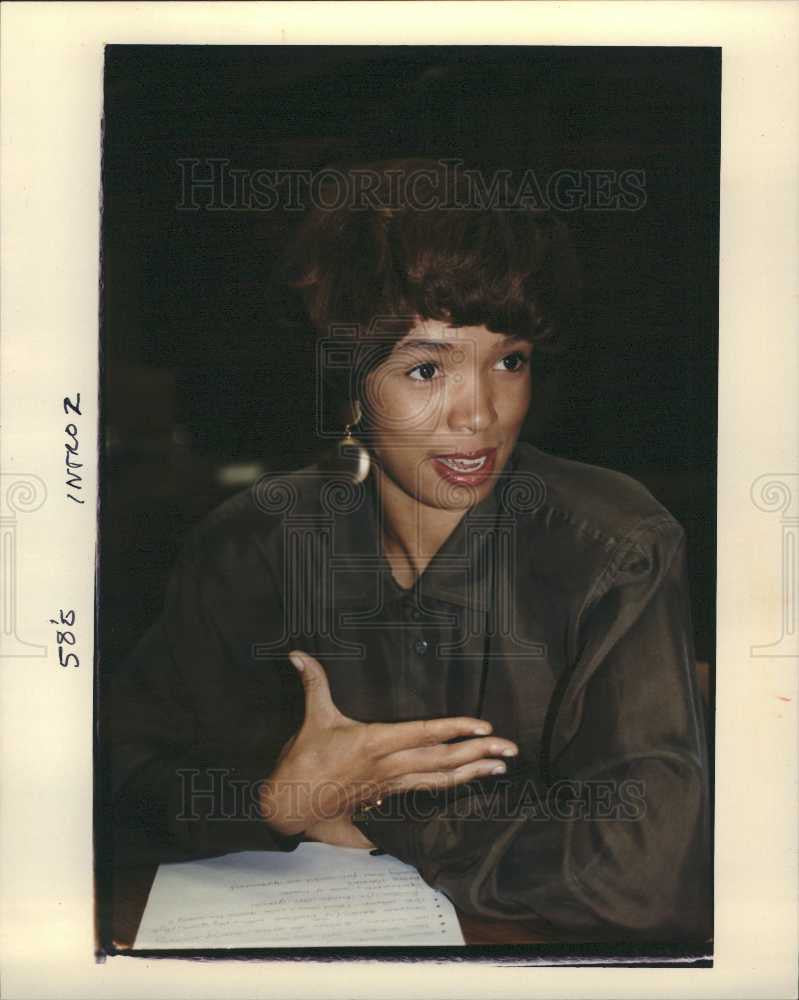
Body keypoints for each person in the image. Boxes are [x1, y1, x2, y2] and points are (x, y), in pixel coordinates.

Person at [108, 159, 711, 942]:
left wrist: (372, 815)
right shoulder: (251, 544)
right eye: (426, 368)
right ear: (350, 385)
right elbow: (113, 777)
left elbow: (646, 871)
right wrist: (272, 801)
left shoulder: (612, 549)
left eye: (510, 360)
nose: (479, 414)